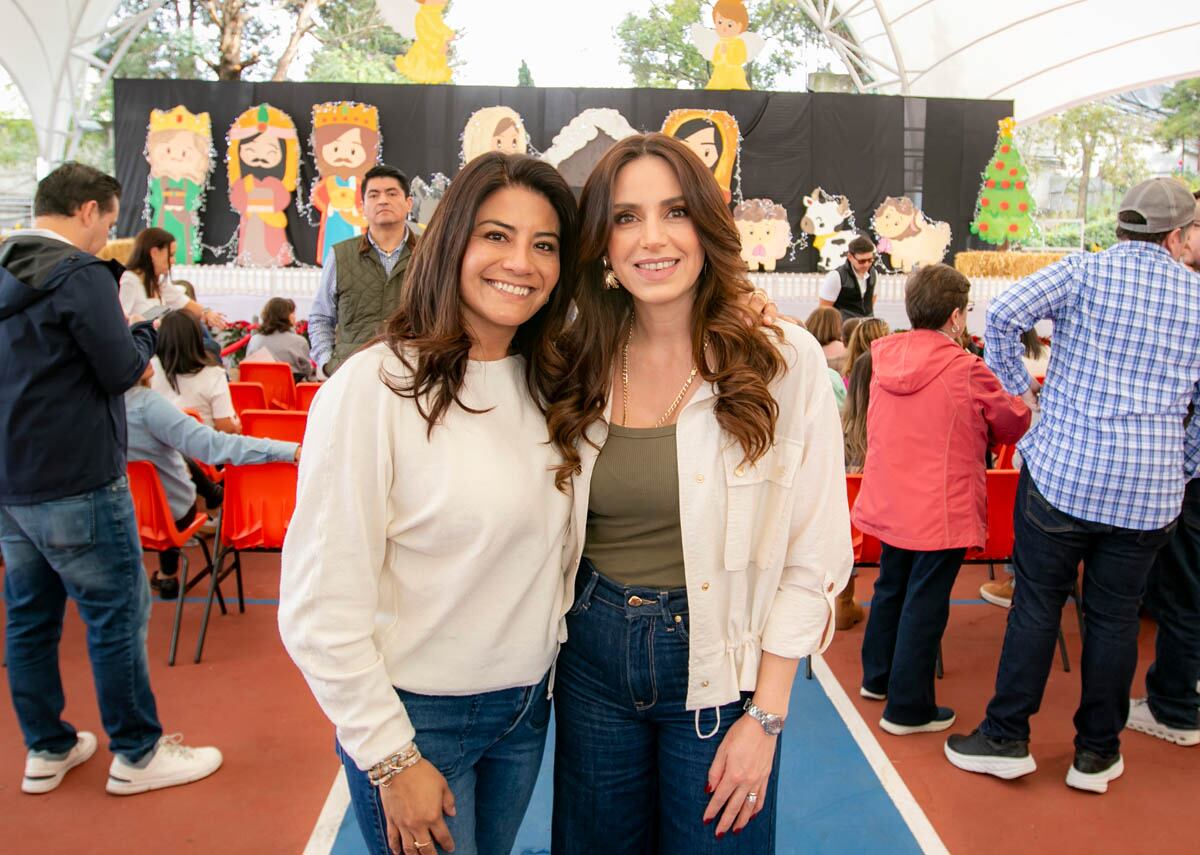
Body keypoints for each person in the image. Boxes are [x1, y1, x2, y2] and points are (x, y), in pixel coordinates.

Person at [545, 133, 852, 851]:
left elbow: (813, 557)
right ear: (601, 240)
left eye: (674, 211)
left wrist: (767, 717)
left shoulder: (782, 359)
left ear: (707, 226)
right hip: (590, 659)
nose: (651, 238)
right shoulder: (574, 353)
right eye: (625, 218)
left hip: (720, 667)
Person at [279, 152, 581, 855]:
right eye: (496, 235)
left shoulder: (552, 385)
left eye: (544, 245)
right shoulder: (372, 389)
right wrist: (389, 754)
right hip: (419, 722)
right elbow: (319, 605)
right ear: (450, 244)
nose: (522, 262)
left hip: (525, 710)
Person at [945, 178, 1200, 794]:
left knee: (1037, 603)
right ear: (1175, 235)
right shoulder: (1197, 294)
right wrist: (1184, 461)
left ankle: (1006, 738)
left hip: (1067, 472)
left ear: (1122, 225)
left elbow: (1001, 313)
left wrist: (1024, 393)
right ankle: (1097, 753)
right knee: (1113, 619)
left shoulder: (1084, 273)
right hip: (1150, 489)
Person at [0, 162, 220, 797]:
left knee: (30, 617)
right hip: (77, 474)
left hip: (13, 480)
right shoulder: (82, 275)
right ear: (90, 210)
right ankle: (138, 751)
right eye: (110, 218)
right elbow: (120, 368)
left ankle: (47, 746)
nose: (109, 234)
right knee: (116, 612)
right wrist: (147, 336)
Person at [852, 265, 1029, 735]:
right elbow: (1012, 422)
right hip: (939, 505)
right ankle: (908, 708)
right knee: (925, 602)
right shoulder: (966, 368)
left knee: (891, 587)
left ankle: (878, 677)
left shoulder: (882, 356)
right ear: (955, 316)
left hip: (892, 498)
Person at [126, 361, 300, 600]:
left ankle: (170, 570)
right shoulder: (145, 404)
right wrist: (289, 450)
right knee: (175, 464)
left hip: (113, 518)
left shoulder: (86, 403)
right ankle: (212, 499)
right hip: (166, 516)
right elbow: (216, 445)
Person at [1126, 191, 1200, 749]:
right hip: (1171, 472)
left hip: (1181, 476)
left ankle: (1175, 705)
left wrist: (1185, 465)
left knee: (1182, 590)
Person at [308, 164, 416, 378]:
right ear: (363, 206)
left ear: (408, 203)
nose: (383, 200)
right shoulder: (340, 255)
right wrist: (327, 364)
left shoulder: (430, 254)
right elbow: (321, 316)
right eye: (374, 195)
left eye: (392, 193)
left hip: (412, 373)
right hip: (351, 376)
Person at [119, 226, 226, 330]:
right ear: (154, 253)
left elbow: (183, 302)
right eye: (171, 255)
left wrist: (207, 312)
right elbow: (120, 321)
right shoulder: (130, 281)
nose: (173, 261)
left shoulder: (159, 282)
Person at [151, 311, 239, 434]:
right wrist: (237, 425)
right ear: (197, 336)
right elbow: (226, 427)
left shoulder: (150, 370)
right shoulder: (214, 374)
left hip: (162, 446)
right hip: (202, 448)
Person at [838, 352, 873, 631]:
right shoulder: (893, 433)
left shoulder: (836, 427)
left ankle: (842, 601)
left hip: (845, 535)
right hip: (887, 537)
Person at [246, 297, 314, 381]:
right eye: (293, 313)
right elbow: (307, 371)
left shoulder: (254, 340)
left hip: (259, 391)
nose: (295, 317)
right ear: (287, 316)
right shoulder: (299, 342)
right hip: (289, 392)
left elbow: (247, 368)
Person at [819, 235, 877, 319]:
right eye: (862, 261)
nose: (866, 264)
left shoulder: (874, 273)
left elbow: (871, 300)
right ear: (850, 257)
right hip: (843, 328)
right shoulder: (836, 276)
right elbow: (824, 310)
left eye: (870, 260)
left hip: (866, 327)